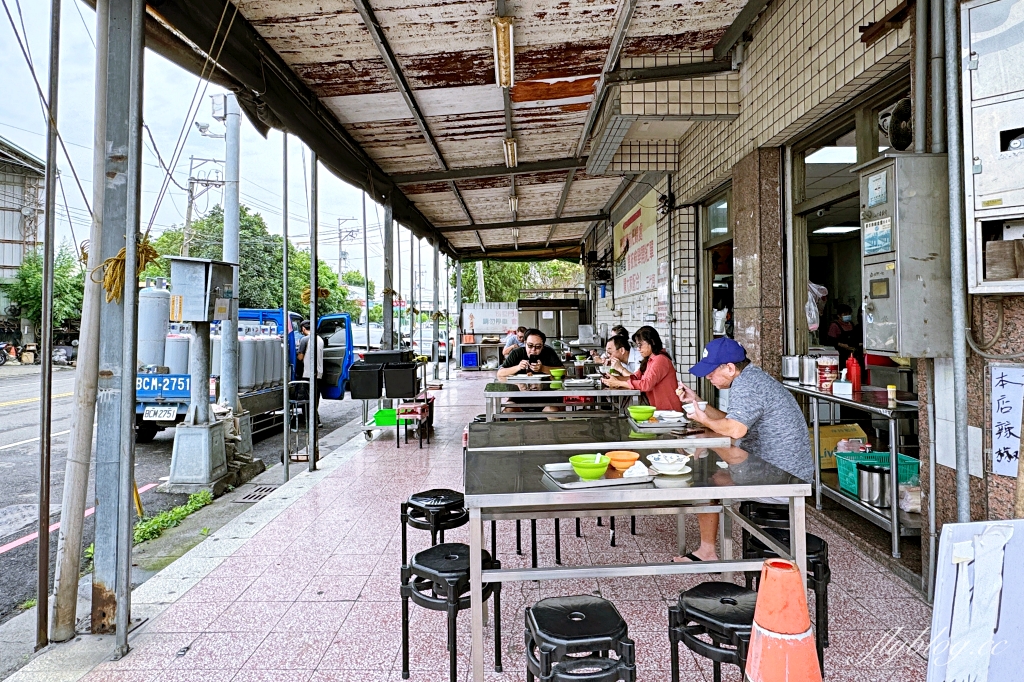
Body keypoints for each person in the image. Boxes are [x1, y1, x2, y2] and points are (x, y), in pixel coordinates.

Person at [673, 337, 812, 562]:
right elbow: (731, 421)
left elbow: (735, 429)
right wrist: (699, 403)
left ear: (729, 368)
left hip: (783, 479)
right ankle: (707, 550)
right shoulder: (751, 378)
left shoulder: (748, 385)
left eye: (711, 372)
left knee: (704, 482)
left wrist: (705, 421)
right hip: (779, 469)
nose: (708, 377)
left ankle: (707, 552)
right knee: (712, 468)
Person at [601, 326, 682, 412]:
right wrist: (613, 379)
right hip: (658, 409)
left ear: (652, 342)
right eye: (637, 345)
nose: (638, 349)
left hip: (669, 411)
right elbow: (635, 377)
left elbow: (646, 384)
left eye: (640, 345)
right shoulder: (648, 360)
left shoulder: (660, 359)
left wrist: (619, 382)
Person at [497, 328, 565, 412]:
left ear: (543, 346)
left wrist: (543, 368)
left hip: (546, 398)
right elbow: (500, 373)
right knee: (508, 411)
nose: (533, 350)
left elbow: (563, 370)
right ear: (525, 343)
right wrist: (518, 367)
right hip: (519, 398)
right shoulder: (517, 353)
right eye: (530, 346)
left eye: (538, 347)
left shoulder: (548, 352)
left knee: (553, 411)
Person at [295, 320, 324, 425]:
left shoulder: (305, 339)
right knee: (315, 398)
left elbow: (300, 357)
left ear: (303, 328)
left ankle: (313, 421)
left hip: (307, 373)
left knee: (307, 398)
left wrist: (297, 352)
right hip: (318, 373)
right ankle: (313, 420)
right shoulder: (320, 339)